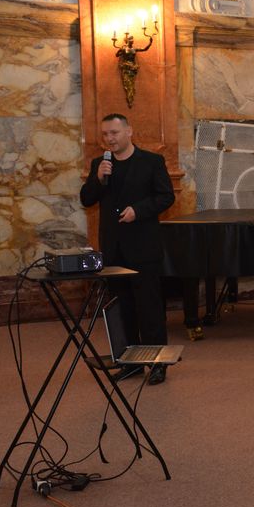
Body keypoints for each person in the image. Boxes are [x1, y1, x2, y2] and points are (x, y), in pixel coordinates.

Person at [80, 113, 175, 384]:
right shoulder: (100, 164)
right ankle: (131, 364)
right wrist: (98, 179)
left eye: (114, 133)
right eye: (105, 134)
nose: (109, 139)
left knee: (149, 309)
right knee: (123, 310)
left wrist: (139, 210)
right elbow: (86, 199)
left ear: (129, 131)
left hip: (144, 248)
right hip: (114, 250)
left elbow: (166, 196)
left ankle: (158, 364)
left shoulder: (151, 161)